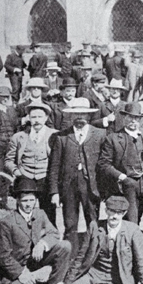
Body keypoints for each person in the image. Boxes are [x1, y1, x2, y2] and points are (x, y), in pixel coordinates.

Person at [37, 196, 143, 284]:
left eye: (119, 213)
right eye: (111, 211)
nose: (114, 216)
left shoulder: (133, 230)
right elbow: (81, 257)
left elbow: (142, 261)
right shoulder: (95, 226)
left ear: (124, 213)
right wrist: (67, 283)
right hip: (91, 275)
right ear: (106, 210)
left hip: (112, 281)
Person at [0, 178, 71, 284]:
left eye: (32, 200)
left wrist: (42, 244)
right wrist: (21, 273)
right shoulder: (6, 223)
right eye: (24, 200)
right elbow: (2, 256)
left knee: (65, 246)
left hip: (33, 262)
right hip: (15, 269)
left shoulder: (40, 213)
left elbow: (54, 233)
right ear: (17, 200)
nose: (28, 204)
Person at [47, 98, 106, 258]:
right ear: (71, 116)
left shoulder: (100, 134)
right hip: (69, 187)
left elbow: (104, 165)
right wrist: (54, 192)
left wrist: (105, 189)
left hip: (91, 186)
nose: (80, 117)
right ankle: (70, 257)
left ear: (88, 116)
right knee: (70, 223)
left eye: (83, 114)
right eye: (76, 114)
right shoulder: (62, 137)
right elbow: (53, 167)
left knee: (93, 222)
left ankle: (93, 256)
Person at [97, 101, 143, 223]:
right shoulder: (113, 138)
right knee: (132, 219)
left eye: (137, 118)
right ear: (124, 118)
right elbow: (104, 164)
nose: (134, 121)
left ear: (140, 119)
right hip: (127, 184)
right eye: (130, 117)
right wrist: (122, 177)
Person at [5, 101, 58, 225]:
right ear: (29, 118)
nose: (37, 120)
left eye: (40, 117)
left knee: (49, 213)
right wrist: (16, 171)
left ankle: (50, 238)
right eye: (33, 117)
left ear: (46, 118)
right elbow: (8, 160)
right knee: (24, 212)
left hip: (45, 178)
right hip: (25, 177)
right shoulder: (19, 137)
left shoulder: (55, 135)